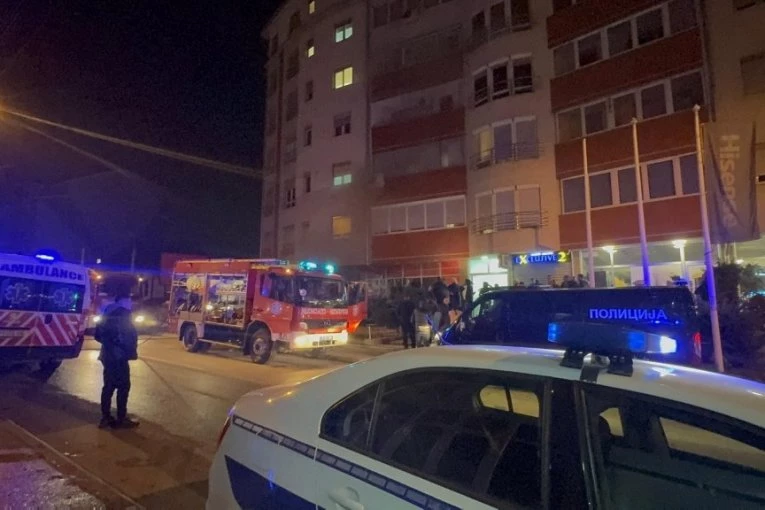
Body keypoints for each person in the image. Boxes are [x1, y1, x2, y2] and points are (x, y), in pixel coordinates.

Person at [94, 291, 139, 429]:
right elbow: (127, 336)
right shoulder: (123, 314)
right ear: (123, 301)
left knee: (108, 386)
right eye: (129, 301)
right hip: (119, 356)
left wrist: (109, 344)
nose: (131, 304)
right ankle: (121, 418)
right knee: (124, 386)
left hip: (107, 355)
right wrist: (128, 349)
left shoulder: (106, 312)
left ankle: (105, 417)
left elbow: (97, 335)